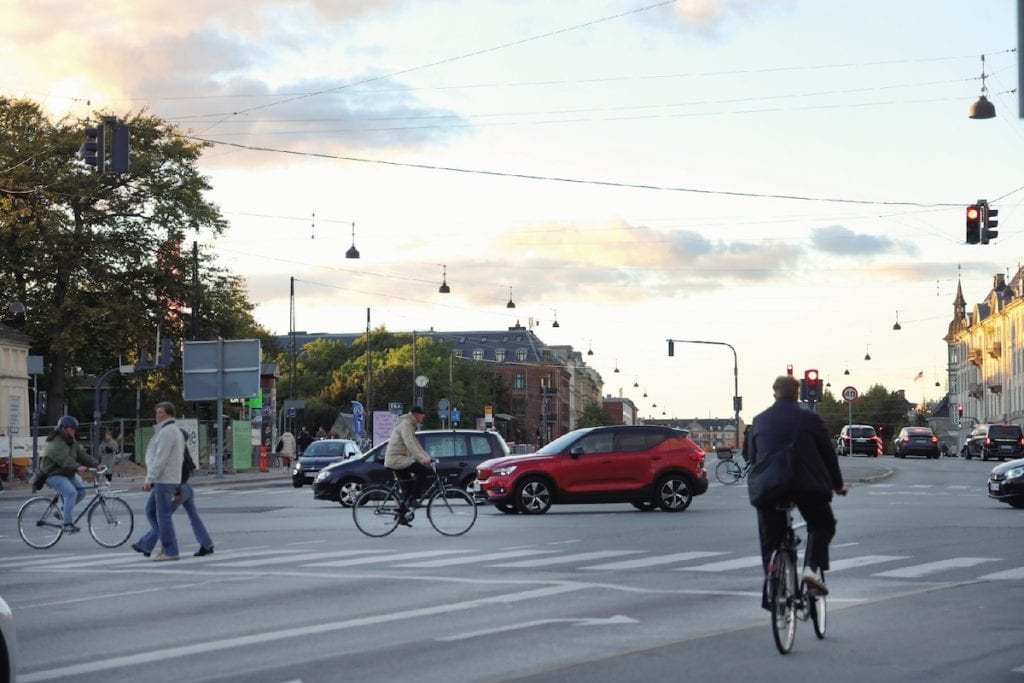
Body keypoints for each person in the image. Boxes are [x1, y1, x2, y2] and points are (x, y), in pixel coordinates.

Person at [747, 375, 847, 606]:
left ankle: (773, 590)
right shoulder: (810, 419)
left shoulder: (759, 420)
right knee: (822, 524)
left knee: (770, 539)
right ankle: (811, 569)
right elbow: (828, 454)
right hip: (807, 486)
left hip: (770, 487)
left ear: (774, 393)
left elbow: (751, 458)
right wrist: (837, 483)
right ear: (797, 393)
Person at [131, 401, 184, 562]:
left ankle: (170, 550)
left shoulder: (167, 432)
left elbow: (161, 458)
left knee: (163, 516)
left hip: (163, 479)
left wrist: (149, 478)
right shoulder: (171, 430)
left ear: (168, 414)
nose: (157, 415)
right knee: (151, 511)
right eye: (157, 412)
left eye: (160, 412)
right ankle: (151, 544)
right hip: (168, 478)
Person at [39, 416, 97, 532]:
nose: (74, 430)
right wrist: (77, 466)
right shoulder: (55, 441)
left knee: (82, 491)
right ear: (63, 428)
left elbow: (82, 456)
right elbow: (63, 459)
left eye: (75, 429)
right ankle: (67, 524)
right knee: (71, 493)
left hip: (65, 472)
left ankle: (62, 511)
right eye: (72, 428)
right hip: (52, 473)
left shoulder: (71, 441)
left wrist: (97, 464)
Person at [383, 406, 434, 525]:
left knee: (409, 484)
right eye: (422, 415)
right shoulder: (406, 424)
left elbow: (416, 444)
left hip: (399, 459)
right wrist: (423, 460)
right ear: (416, 415)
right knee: (422, 470)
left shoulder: (409, 425)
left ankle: (401, 515)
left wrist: (427, 457)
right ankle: (413, 499)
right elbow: (409, 443)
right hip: (396, 459)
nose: (424, 417)